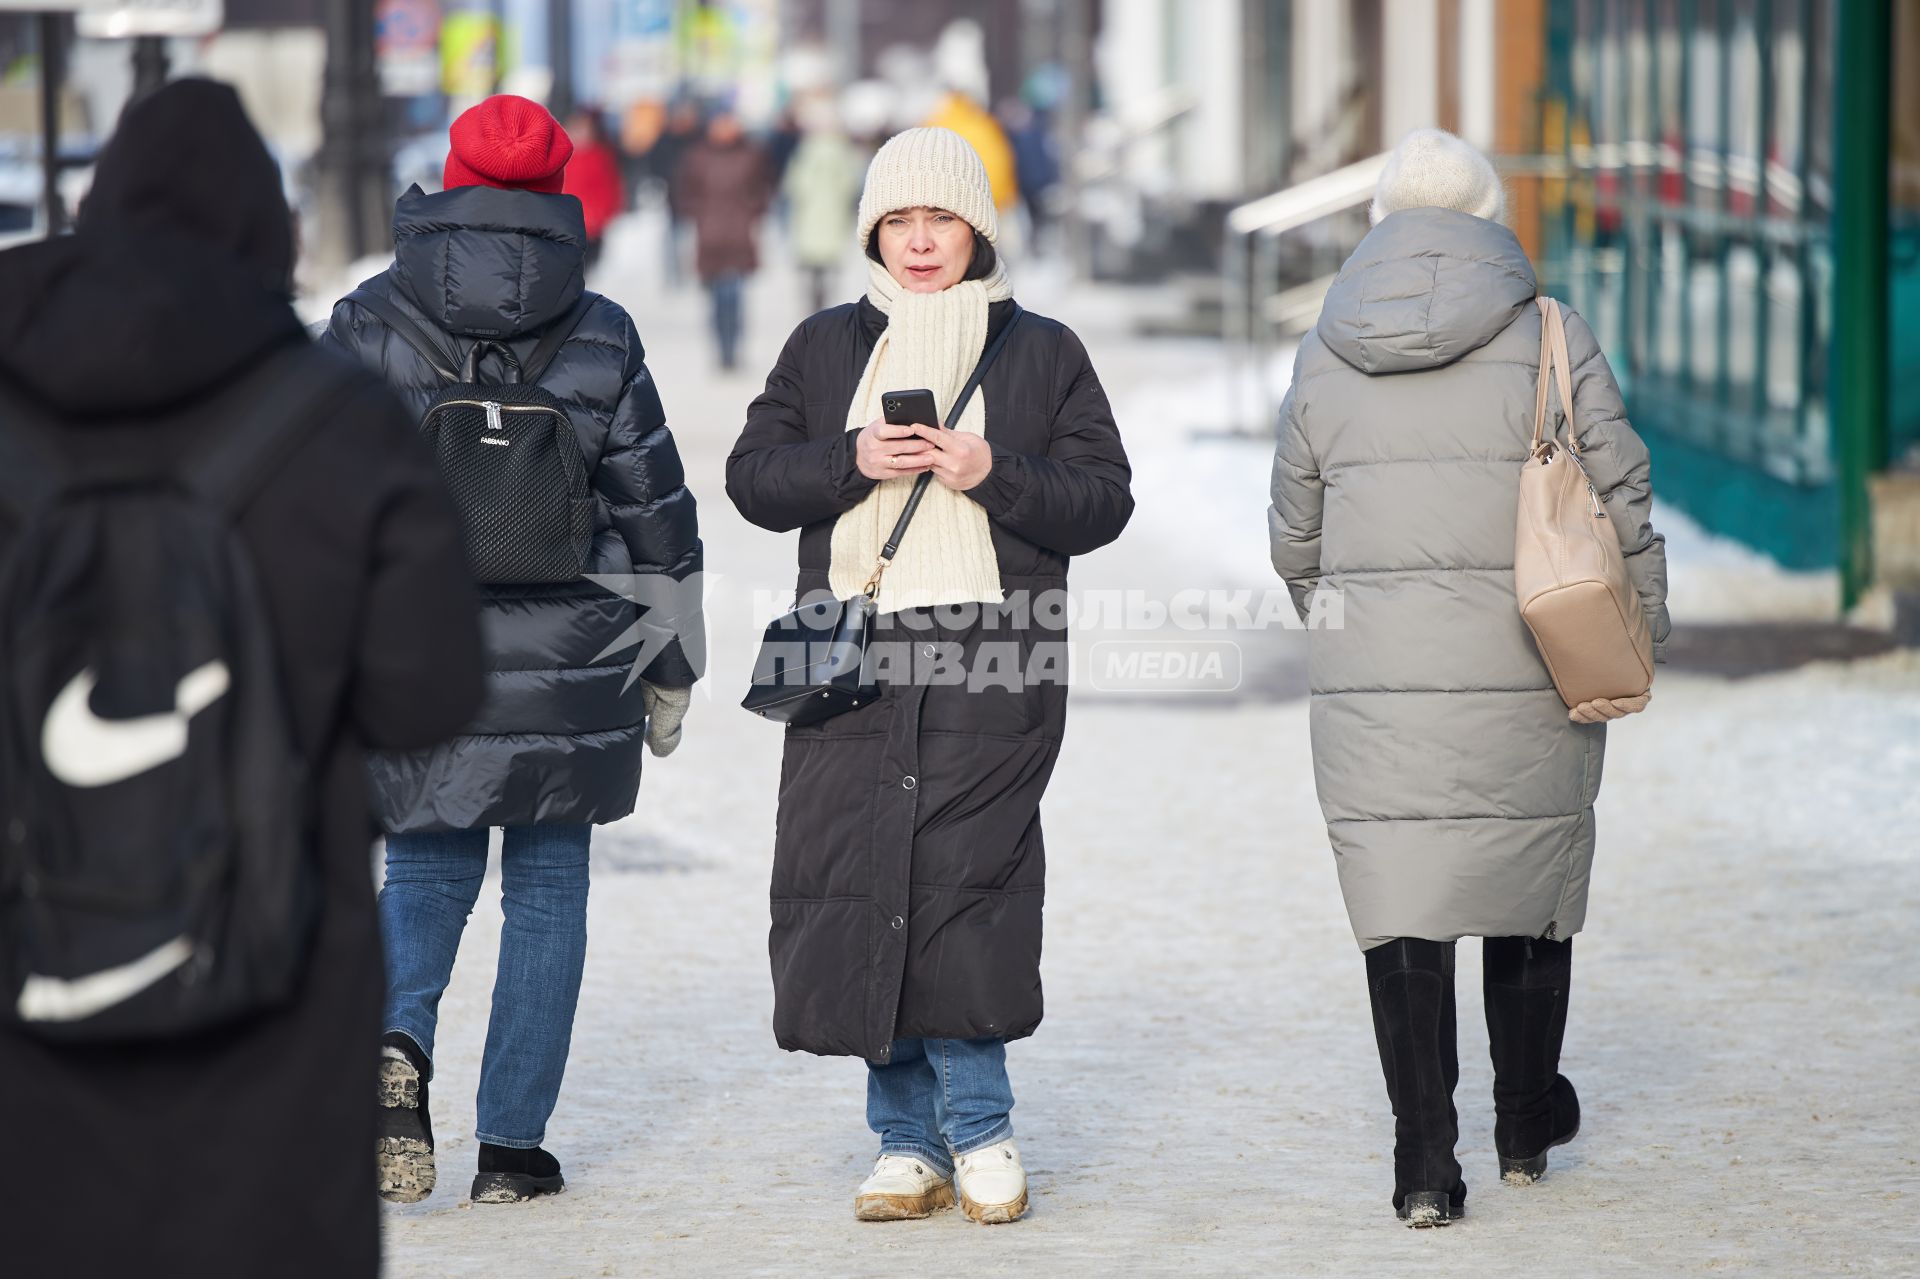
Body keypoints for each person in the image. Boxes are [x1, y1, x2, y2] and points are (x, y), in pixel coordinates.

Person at [0, 80, 484, 1276]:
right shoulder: (340, 417)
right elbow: (429, 693)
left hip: (29, 960)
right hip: (273, 978)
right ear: (269, 230)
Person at [727, 127, 1132, 1226]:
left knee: (963, 878)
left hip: (996, 647)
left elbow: (1104, 500)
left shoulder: (1042, 352)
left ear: (976, 231)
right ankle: (905, 1142)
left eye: (939, 220)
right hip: (849, 645)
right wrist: (846, 459)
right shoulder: (823, 346)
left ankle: (983, 1128)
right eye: (898, 222)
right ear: (872, 232)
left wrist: (992, 471)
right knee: (862, 878)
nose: (918, 242)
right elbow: (752, 479)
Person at [1266, 128, 1671, 1228]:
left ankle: (1423, 1161)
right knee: (1525, 875)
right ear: (1490, 213)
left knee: (1403, 896)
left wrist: (1353, 623)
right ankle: (1529, 1122)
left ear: (1382, 219)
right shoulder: (1550, 331)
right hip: (1534, 651)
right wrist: (1648, 619)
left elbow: (1294, 536)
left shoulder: (1324, 348)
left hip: (1375, 678)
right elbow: (1621, 494)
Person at [321, 94, 705, 1206]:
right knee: (547, 892)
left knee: (427, 866)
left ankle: (396, 1045)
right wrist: (674, 663)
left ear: (447, 185)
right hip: (576, 650)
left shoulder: (368, 319)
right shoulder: (602, 331)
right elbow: (657, 513)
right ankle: (512, 1149)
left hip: (413, 640)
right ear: (558, 200)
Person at [676, 107, 773, 371]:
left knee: (735, 295)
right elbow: (686, 190)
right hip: (709, 238)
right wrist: (697, 212)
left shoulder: (751, 154)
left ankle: (733, 349)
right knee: (716, 298)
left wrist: (754, 209)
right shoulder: (698, 157)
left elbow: (764, 187)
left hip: (739, 235)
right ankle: (721, 348)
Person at [782, 101, 864, 314]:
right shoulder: (843, 150)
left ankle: (813, 303)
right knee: (830, 264)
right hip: (833, 214)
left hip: (811, 215)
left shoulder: (806, 150)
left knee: (812, 264)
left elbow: (795, 184)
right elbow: (850, 183)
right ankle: (825, 303)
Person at [563, 106, 625, 269]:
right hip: (564, 228)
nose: (579, 133)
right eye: (575, 128)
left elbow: (612, 189)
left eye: (583, 128)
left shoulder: (600, 156)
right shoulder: (561, 157)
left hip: (591, 229)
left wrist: (600, 216)